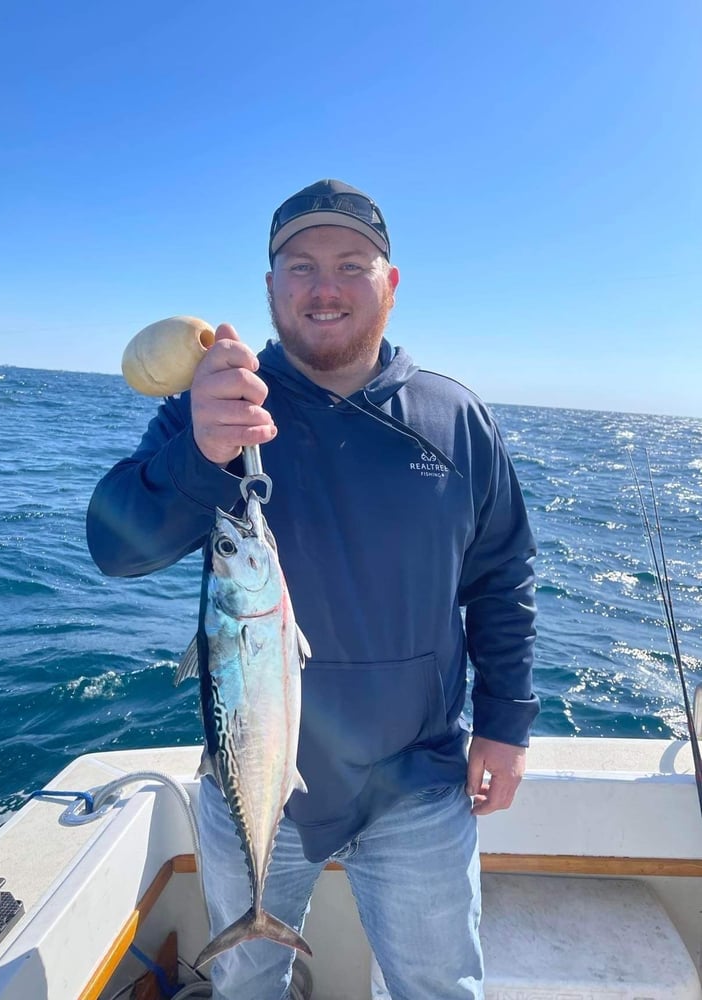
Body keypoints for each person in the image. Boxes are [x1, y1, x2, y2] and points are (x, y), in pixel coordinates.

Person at [86, 179, 539, 1000]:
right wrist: (197, 453)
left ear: (390, 285)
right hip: (254, 780)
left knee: (444, 990)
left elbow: (503, 576)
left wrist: (506, 723)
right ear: (269, 288)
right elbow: (114, 550)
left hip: (419, 779)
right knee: (245, 985)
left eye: (351, 264)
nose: (324, 287)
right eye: (300, 266)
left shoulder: (455, 418)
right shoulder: (218, 404)